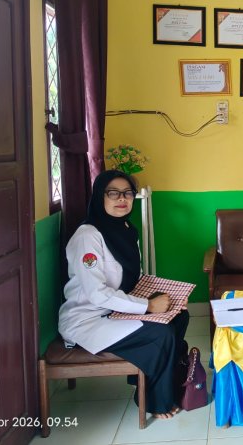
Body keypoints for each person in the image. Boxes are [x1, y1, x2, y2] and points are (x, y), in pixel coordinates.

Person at [58, 170, 190, 419]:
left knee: (179, 316)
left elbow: (134, 278)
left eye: (128, 193)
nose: (122, 199)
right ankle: (154, 401)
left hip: (116, 311)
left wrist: (167, 297)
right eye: (113, 193)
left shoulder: (127, 229)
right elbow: (97, 294)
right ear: (100, 196)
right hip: (90, 319)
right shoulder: (87, 237)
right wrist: (148, 306)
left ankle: (143, 379)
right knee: (160, 334)